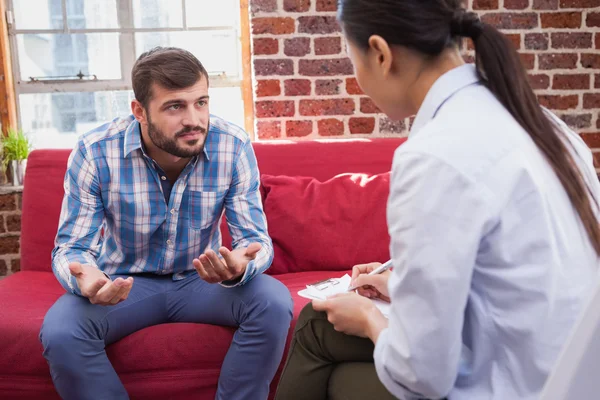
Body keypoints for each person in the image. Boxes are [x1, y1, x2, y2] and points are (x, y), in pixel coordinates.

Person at [275, 1, 600, 399]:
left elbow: (421, 375)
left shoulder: (433, 156)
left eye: (352, 59)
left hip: (512, 384)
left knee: (328, 357)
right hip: (569, 375)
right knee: (320, 332)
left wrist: (370, 321)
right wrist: (401, 286)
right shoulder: (548, 125)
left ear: (380, 53)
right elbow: (517, 278)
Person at [39, 46, 293, 400]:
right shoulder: (95, 151)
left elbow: (253, 239)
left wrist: (239, 266)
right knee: (62, 331)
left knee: (273, 302)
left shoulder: (232, 145)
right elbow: (72, 248)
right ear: (139, 112)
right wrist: (86, 277)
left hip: (202, 281)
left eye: (201, 102)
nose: (195, 119)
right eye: (175, 106)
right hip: (125, 285)